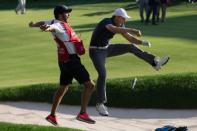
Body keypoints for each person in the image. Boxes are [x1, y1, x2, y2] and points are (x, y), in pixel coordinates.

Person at [89, 8, 170, 116]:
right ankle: (100, 104)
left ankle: (154, 62)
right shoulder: (106, 22)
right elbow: (113, 29)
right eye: (123, 19)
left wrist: (142, 42)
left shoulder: (120, 26)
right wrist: (132, 29)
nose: (124, 21)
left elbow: (131, 39)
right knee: (103, 74)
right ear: (117, 17)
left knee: (130, 47)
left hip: (106, 48)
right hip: (96, 51)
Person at [29, 5, 96, 125]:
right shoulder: (58, 25)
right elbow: (51, 27)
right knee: (90, 85)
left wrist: (34, 24)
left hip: (63, 61)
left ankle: (52, 115)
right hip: (72, 61)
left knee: (63, 88)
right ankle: (82, 113)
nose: (68, 14)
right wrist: (46, 29)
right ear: (60, 14)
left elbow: (44, 23)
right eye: (66, 13)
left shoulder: (54, 21)